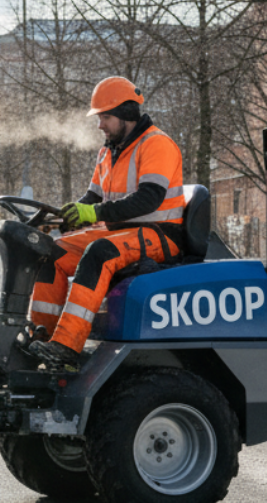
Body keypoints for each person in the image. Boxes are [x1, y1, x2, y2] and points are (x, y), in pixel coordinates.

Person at [27, 76, 186, 371]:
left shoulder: (157, 144)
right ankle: (43, 337)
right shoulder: (108, 151)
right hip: (122, 231)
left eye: (106, 117)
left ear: (126, 115)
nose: (100, 125)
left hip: (161, 235)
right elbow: (92, 198)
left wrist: (94, 213)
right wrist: (66, 218)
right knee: (53, 251)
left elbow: (148, 200)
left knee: (100, 252)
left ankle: (67, 346)